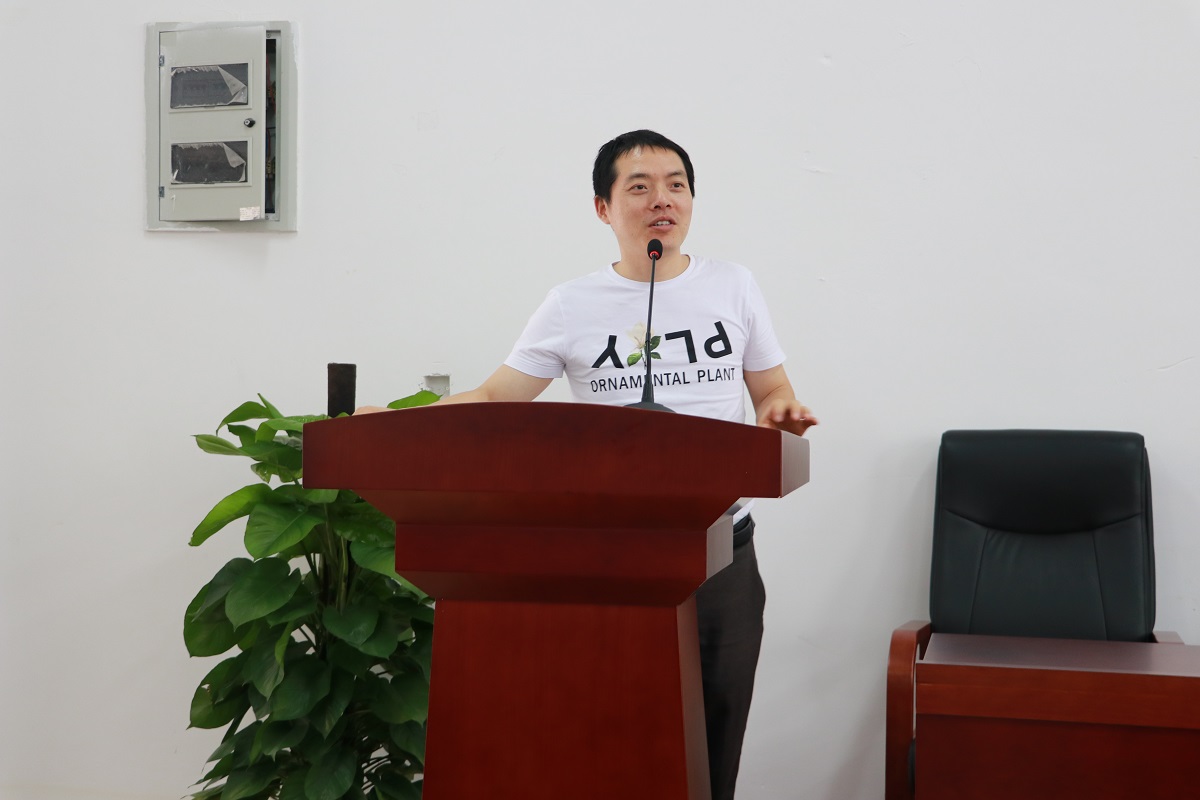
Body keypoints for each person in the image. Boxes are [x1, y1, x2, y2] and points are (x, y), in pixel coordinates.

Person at [361, 129, 816, 799]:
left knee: (714, 738)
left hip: (721, 550)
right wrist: (397, 425)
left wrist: (779, 410)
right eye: (640, 187)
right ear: (604, 207)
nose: (662, 200)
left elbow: (772, 388)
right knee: (618, 738)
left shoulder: (733, 286)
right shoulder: (572, 304)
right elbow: (495, 399)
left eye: (676, 185)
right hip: (613, 555)